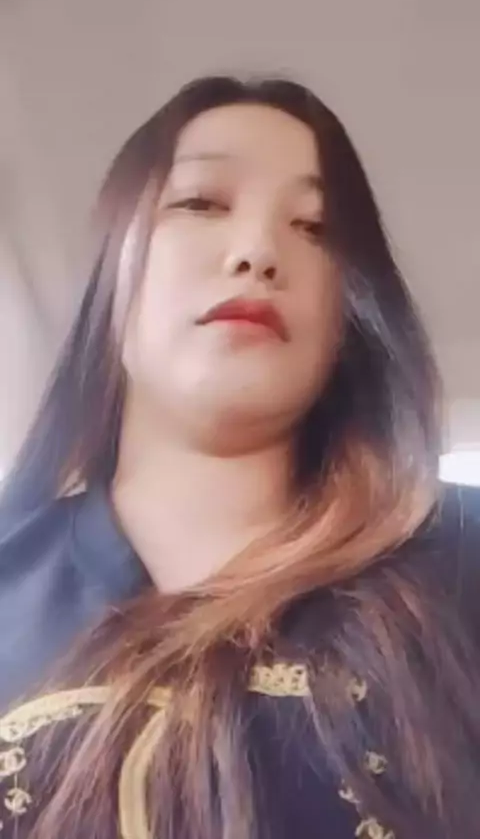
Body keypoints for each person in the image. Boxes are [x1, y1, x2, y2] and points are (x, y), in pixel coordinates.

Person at [0, 74, 479, 839]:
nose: (258, 252)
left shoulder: (457, 559)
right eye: (199, 203)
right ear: (113, 267)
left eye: (315, 227)